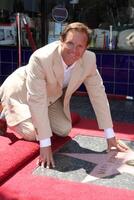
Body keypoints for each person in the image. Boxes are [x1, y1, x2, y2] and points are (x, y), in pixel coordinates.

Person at [0, 22, 128, 168]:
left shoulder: (89, 59)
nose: (74, 50)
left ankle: (35, 119)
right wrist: (45, 144)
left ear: (86, 48)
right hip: (20, 91)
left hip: (50, 96)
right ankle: (4, 111)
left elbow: (98, 94)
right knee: (32, 133)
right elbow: (36, 99)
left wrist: (110, 135)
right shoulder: (41, 58)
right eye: (70, 43)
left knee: (63, 130)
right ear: (61, 41)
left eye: (80, 46)